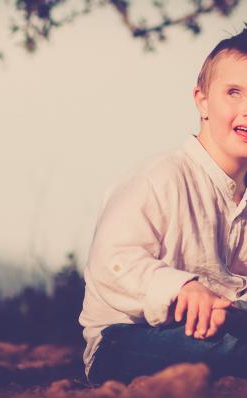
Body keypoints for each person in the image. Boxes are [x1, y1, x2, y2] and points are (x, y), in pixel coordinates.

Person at [79, 26, 247, 385]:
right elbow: (111, 262)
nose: (246, 109)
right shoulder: (159, 179)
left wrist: (224, 306)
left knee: (234, 340)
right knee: (235, 350)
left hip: (217, 329)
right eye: (233, 92)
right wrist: (182, 288)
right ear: (201, 100)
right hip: (124, 339)